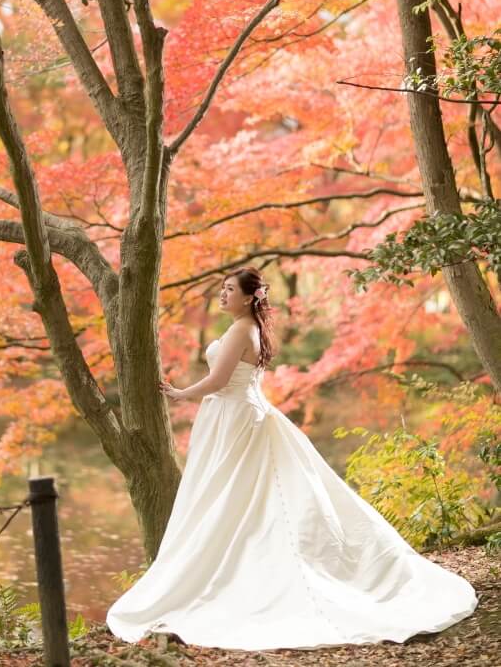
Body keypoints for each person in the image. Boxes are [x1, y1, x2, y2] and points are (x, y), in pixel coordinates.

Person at [106, 266, 479, 651]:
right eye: (221, 287)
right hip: (235, 415)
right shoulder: (247, 327)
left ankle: (241, 571)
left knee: (238, 496)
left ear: (250, 296)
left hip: (235, 418)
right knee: (236, 497)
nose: (221, 294)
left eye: (229, 289)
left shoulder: (241, 330)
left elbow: (218, 381)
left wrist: (180, 393)